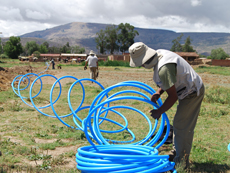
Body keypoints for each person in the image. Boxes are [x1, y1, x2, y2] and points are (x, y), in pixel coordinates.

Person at [129, 42, 205, 169]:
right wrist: (159, 92)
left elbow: (173, 96)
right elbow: (170, 81)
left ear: (145, 61)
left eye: (141, 63)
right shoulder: (159, 55)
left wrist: (159, 111)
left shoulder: (164, 68)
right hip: (184, 90)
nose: (142, 66)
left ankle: (182, 163)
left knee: (182, 126)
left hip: (192, 92)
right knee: (179, 124)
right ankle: (177, 153)